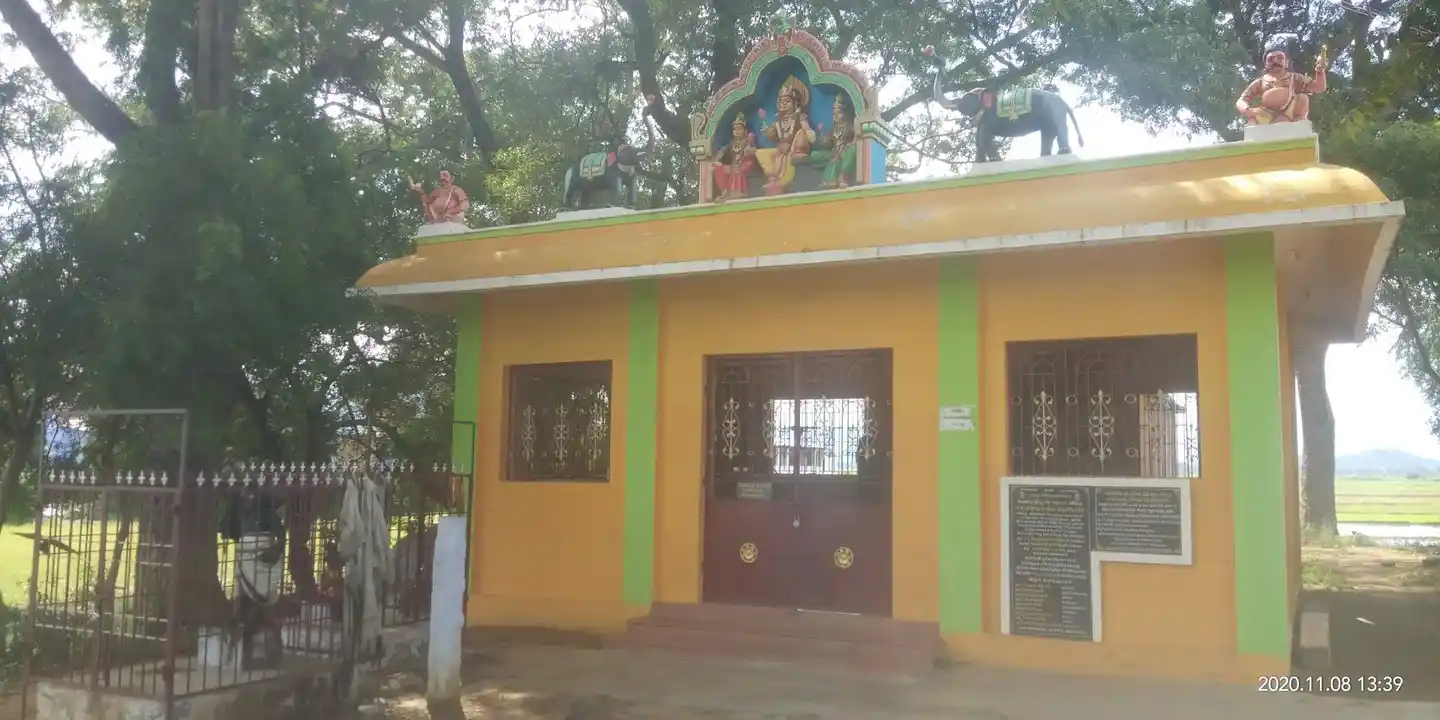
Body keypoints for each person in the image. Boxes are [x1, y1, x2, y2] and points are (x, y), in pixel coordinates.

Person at [1236, 46, 1328, 125]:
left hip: (1291, 112)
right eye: (1270, 59)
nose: (1275, 61)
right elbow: (1241, 100)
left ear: (1286, 63)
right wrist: (1248, 110)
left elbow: (1319, 87)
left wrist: (1320, 71)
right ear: (1266, 65)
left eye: (1280, 58)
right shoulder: (1259, 82)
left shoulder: (1295, 77)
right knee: (1252, 119)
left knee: (1302, 98)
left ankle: (1299, 122)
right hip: (1266, 115)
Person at [713, 113, 758, 201]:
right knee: (718, 168)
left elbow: (753, 150)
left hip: (745, 164)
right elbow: (723, 151)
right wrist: (718, 157)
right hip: (733, 166)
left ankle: (738, 193)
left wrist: (750, 144)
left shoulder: (747, 141)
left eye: (739, 129)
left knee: (738, 170)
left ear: (745, 131)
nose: (737, 131)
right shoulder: (732, 143)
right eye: (735, 129)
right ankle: (725, 192)